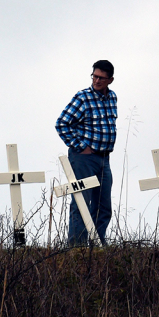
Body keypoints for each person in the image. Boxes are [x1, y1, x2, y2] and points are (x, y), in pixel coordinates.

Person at [55, 60, 117, 247]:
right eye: (94, 76)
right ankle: (77, 248)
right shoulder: (83, 97)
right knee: (82, 202)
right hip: (84, 158)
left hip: (104, 158)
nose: (97, 80)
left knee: (103, 205)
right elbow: (62, 123)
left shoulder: (112, 97)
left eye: (101, 78)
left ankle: (97, 246)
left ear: (110, 80)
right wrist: (81, 146)